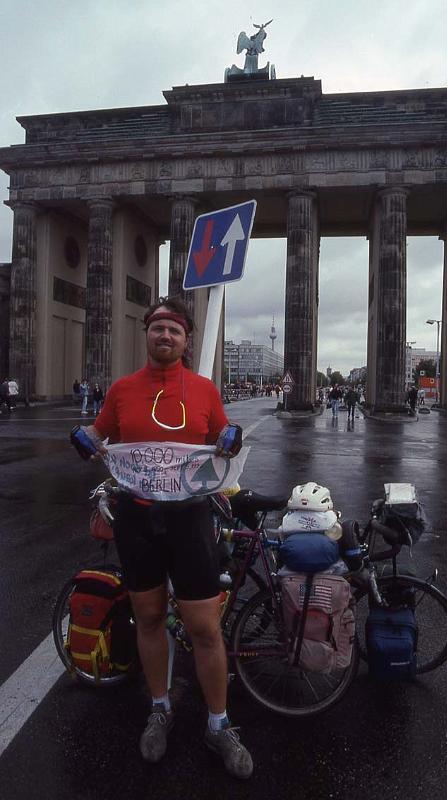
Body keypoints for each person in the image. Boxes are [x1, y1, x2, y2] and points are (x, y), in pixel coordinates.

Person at [77, 296, 253, 779]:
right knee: (149, 618)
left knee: (204, 627)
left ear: (186, 340)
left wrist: (231, 436)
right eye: (157, 329)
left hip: (190, 519)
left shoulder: (203, 389)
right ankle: (160, 709)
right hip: (137, 518)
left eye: (174, 331)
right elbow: (96, 434)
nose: (165, 337)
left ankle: (219, 724)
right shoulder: (122, 390)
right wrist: (84, 441)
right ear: (147, 335)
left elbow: (224, 433)